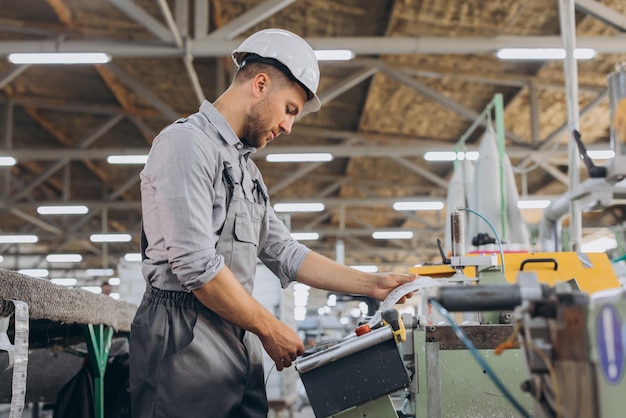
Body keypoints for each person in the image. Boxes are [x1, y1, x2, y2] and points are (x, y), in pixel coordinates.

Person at [129, 28, 417, 418]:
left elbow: (286, 252)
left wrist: (373, 284)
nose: (288, 126)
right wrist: (268, 327)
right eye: (290, 109)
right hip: (183, 336)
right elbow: (196, 264)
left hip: (234, 329)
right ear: (260, 84)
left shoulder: (246, 171)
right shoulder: (185, 144)